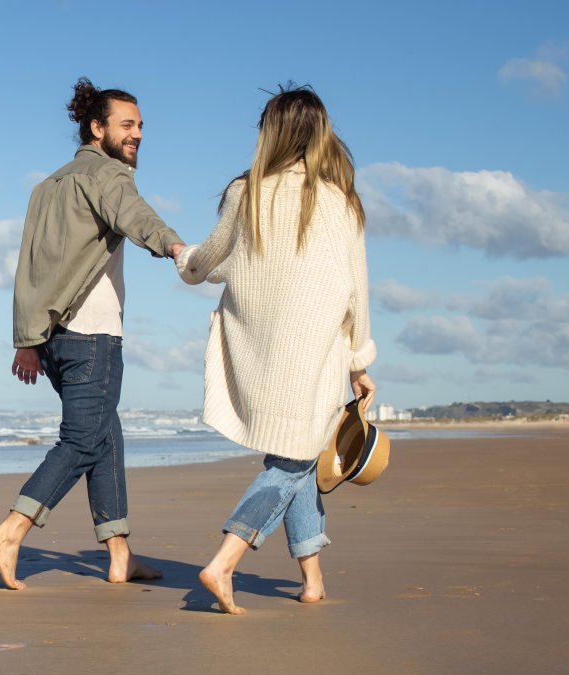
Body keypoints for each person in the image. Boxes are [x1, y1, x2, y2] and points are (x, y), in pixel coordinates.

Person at [175, 85, 377, 614]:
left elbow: (211, 261)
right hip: (316, 351)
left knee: (297, 452)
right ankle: (224, 562)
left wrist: (184, 259)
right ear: (321, 134)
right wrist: (359, 361)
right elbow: (356, 290)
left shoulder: (245, 192)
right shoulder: (342, 202)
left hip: (261, 346)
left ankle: (312, 578)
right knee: (294, 458)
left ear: (271, 134)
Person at [0, 77, 185, 591]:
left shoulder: (46, 186)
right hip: (93, 336)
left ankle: (120, 555)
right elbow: (136, 216)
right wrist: (176, 247)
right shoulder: (108, 174)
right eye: (127, 124)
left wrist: (27, 340)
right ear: (97, 128)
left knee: (104, 438)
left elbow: (29, 268)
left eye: (141, 126)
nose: (138, 134)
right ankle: (10, 531)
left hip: (54, 339)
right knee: (81, 440)